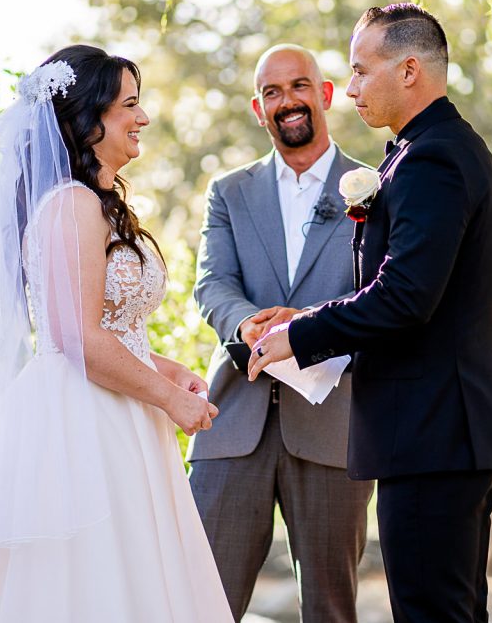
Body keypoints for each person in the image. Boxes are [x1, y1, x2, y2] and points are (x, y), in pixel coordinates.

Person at [0, 45, 233, 622]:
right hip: (81, 425)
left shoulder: (91, 204)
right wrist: (171, 400)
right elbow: (77, 338)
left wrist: (169, 369)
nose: (142, 118)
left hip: (114, 411)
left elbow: (109, 330)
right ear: (88, 118)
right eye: (129, 104)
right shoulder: (73, 204)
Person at [248, 5, 492, 622]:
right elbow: (411, 290)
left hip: (430, 436)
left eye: (362, 71)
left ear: (411, 69)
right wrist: (313, 313)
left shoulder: (433, 158)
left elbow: (404, 297)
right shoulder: (431, 150)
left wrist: (300, 334)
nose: (353, 89)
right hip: (445, 436)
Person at [189, 44, 375, 622]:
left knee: (331, 609)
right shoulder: (229, 191)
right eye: (272, 92)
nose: (286, 101)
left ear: (324, 95)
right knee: (201, 603)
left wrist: (309, 328)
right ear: (257, 107)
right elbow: (212, 283)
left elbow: (384, 296)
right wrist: (246, 323)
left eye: (299, 86)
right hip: (232, 424)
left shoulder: (374, 186)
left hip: (331, 429)